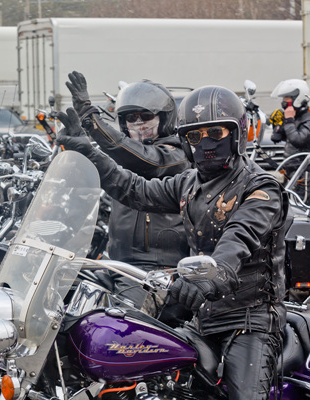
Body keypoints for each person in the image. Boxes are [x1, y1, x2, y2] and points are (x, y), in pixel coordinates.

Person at [57, 85, 288, 400]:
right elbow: (135, 189)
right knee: (147, 375)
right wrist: (89, 152)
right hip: (203, 319)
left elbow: (239, 237)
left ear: (237, 133)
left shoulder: (261, 188)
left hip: (250, 321)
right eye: (195, 136)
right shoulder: (189, 183)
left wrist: (210, 276)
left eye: (216, 132)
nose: (205, 142)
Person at [65, 72, 191, 322]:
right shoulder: (121, 156)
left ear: (164, 118)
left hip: (157, 272)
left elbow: (145, 159)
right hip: (116, 265)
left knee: (121, 330)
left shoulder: (177, 154)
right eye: (130, 118)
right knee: (63, 308)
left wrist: (92, 122)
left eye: (146, 116)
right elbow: (93, 175)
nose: (138, 123)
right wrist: (76, 148)